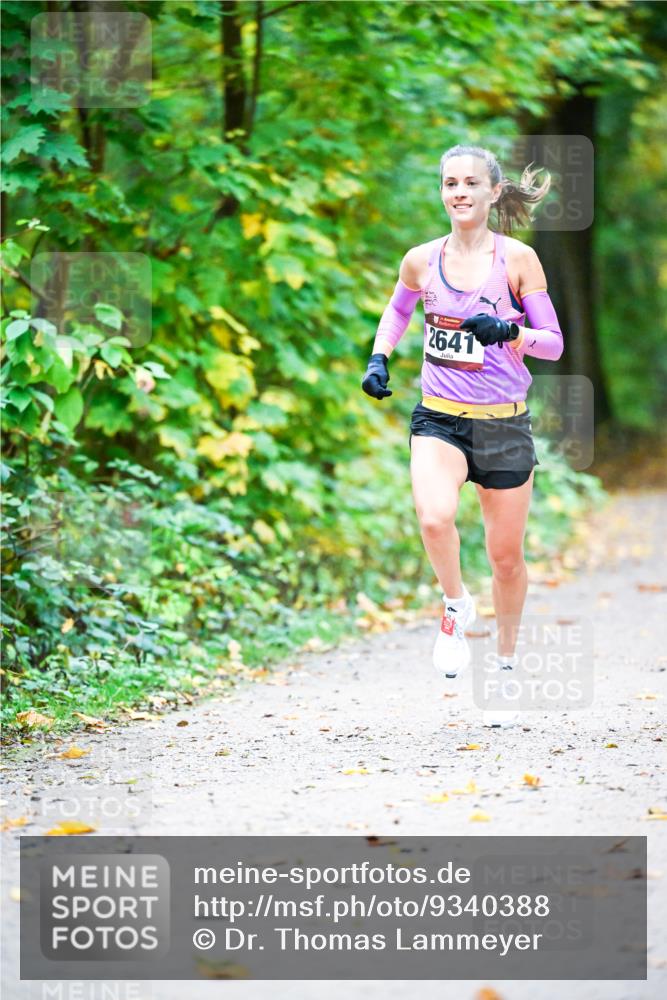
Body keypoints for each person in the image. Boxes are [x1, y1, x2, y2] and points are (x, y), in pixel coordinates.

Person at [361, 143, 563, 729]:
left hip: (503, 423)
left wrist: (510, 330)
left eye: (472, 183)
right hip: (439, 417)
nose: (460, 192)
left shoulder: (518, 260)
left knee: (505, 558)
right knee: (433, 517)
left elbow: (553, 343)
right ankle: (454, 604)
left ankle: (504, 662)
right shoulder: (421, 260)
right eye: (451, 182)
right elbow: (398, 313)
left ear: (494, 192)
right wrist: (379, 357)